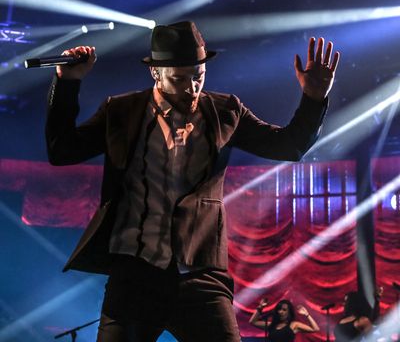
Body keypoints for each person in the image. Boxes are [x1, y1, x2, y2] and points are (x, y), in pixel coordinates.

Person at [45, 21, 339, 342]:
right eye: (179, 79)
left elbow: (290, 145)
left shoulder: (226, 110)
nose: (191, 88)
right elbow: (62, 151)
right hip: (134, 277)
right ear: (156, 74)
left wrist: (314, 97)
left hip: (200, 276)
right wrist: (68, 83)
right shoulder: (121, 110)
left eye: (198, 76)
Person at [249, 298, 320, 341]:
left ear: (289, 312)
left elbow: (315, 329)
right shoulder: (271, 325)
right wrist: (260, 307)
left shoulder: (294, 325)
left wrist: (307, 314)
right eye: (279, 309)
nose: (281, 312)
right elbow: (252, 321)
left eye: (284, 310)